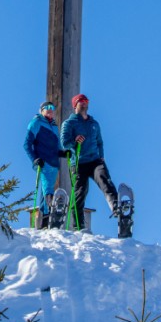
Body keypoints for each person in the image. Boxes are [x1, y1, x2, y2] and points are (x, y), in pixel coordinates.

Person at [60, 93, 119, 230]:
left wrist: (101, 156)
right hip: (78, 162)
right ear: (75, 105)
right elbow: (65, 143)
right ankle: (78, 226)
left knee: (105, 180)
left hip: (95, 160)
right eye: (81, 101)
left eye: (86, 101)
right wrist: (74, 142)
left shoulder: (94, 124)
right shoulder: (69, 123)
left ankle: (116, 207)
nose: (84, 103)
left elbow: (100, 142)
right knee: (80, 193)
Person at [23, 101, 62, 229]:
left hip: (54, 163)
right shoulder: (36, 122)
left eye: (53, 108)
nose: (51, 110)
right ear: (41, 110)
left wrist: (64, 152)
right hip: (43, 162)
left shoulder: (55, 126)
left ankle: (44, 222)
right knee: (47, 188)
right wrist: (35, 159)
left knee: (46, 189)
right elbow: (27, 144)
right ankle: (53, 208)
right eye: (47, 108)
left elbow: (57, 146)